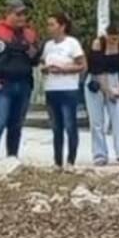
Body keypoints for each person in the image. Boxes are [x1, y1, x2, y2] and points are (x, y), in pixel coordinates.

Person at [0, 0, 41, 160]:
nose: (22, 18)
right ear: (7, 14)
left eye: (24, 14)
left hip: (23, 84)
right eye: (18, 14)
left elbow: (35, 60)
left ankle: (12, 158)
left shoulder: (29, 34)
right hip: (1, 86)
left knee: (16, 125)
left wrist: (32, 51)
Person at [41, 12, 86, 169]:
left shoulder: (72, 43)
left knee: (69, 124)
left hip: (68, 89)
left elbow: (82, 65)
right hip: (52, 89)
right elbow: (42, 63)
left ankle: (71, 160)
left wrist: (64, 69)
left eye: (52, 24)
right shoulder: (48, 46)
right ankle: (57, 161)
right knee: (56, 127)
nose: (49, 28)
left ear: (62, 26)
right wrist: (45, 69)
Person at [86, 22, 119, 166]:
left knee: (118, 118)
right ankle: (100, 155)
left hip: (115, 78)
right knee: (97, 121)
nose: (114, 41)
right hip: (97, 80)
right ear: (107, 35)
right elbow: (98, 69)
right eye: (112, 38)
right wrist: (107, 91)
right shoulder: (98, 44)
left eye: (117, 38)